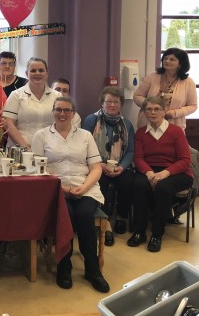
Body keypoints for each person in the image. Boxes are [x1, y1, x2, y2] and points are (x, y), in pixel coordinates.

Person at [31, 97, 110, 293]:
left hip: (86, 187)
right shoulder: (41, 136)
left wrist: (83, 187)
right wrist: (63, 188)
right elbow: (38, 169)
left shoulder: (85, 136)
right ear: (53, 111)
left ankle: (93, 271)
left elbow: (95, 168)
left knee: (84, 215)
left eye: (67, 110)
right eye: (58, 110)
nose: (62, 114)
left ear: (73, 113)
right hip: (55, 189)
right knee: (67, 215)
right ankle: (64, 267)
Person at [128, 96, 193, 253]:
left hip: (177, 172)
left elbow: (185, 160)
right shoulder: (141, 133)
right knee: (138, 185)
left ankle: (157, 234)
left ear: (164, 111)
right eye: (149, 109)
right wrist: (149, 173)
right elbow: (138, 158)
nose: (152, 112)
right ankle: (139, 231)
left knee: (163, 188)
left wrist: (165, 173)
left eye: (157, 109)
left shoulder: (176, 132)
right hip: (150, 169)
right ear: (144, 112)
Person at [82, 86, 135, 247]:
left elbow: (131, 150)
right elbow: (84, 146)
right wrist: (100, 165)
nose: (112, 105)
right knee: (101, 184)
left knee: (128, 181)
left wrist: (122, 167)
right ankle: (106, 226)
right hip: (96, 165)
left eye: (116, 102)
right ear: (102, 103)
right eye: (108, 102)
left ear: (121, 105)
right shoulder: (91, 120)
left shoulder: (127, 124)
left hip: (120, 166)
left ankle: (121, 218)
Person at [134, 47, 197, 131]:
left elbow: (193, 106)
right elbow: (137, 96)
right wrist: (149, 105)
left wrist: (174, 113)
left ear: (180, 63)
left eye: (172, 59)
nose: (167, 61)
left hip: (174, 126)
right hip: (148, 124)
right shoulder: (152, 77)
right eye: (165, 58)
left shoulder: (188, 82)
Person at [3, 57, 60, 148]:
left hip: (50, 148)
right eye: (33, 70)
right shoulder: (16, 95)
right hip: (20, 150)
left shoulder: (57, 96)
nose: (37, 73)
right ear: (26, 73)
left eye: (41, 70)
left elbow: (61, 123)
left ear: (47, 73)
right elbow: (8, 123)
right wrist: (26, 147)